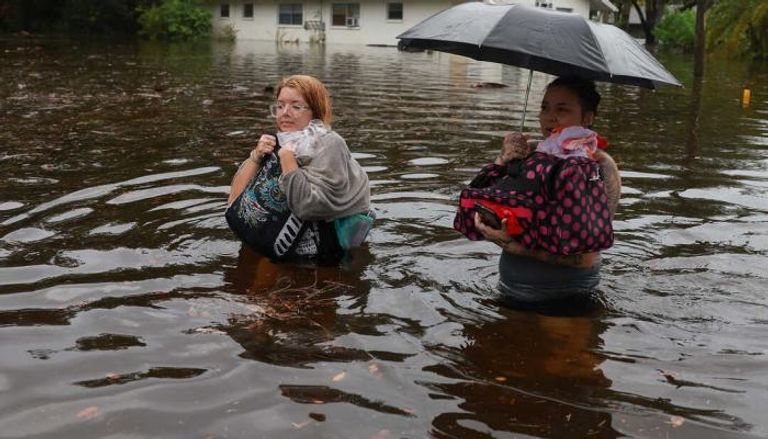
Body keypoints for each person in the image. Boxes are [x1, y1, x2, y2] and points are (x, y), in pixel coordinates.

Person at [470, 76, 621, 305]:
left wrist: (515, 247)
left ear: (587, 117)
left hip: (566, 295)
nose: (550, 117)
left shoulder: (598, 165)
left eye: (562, 109)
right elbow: (479, 201)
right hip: (510, 287)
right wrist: (504, 160)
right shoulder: (529, 153)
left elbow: (585, 257)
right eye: (544, 108)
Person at [226, 74, 371, 265]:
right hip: (275, 243)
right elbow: (233, 203)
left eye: (296, 106)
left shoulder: (329, 144)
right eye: (280, 105)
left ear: (315, 111)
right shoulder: (281, 141)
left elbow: (308, 207)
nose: (285, 112)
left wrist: (287, 160)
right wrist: (255, 157)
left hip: (319, 258)